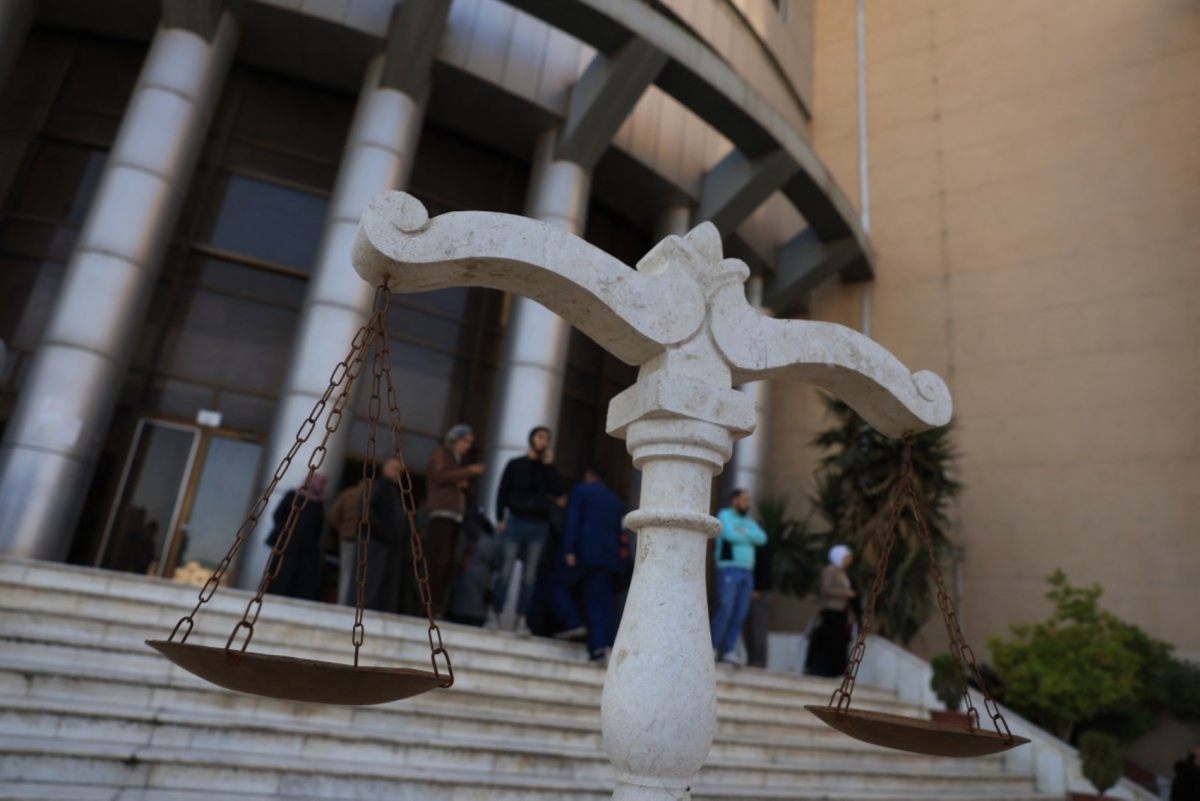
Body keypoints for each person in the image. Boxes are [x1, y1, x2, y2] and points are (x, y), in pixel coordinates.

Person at [488, 426, 560, 636]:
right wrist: (500, 517)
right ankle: (496, 613)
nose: (543, 441)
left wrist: (550, 466)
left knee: (529, 577)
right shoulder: (515, 464)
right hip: (516, 521)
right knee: (505, 571)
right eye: (540, 437)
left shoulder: (547, 469)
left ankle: (521, 620)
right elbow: (503, 490)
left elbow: (557, 491)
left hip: (538, 526)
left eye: (547, 438)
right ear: (532, 439)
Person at [550, 467, 625, 663]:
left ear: (589, 476)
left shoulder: (581, 491)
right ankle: (598, 649)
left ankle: (572, 620)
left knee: (557, 585)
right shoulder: (615, 500)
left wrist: (569, 549)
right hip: (606, 559)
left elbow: (573, 520)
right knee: (598, 604)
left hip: (583, 553)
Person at [425, 424, 486, 617]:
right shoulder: (443, 453)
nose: (467, 446)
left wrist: (464, 480)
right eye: (465, 441)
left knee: (448, 561)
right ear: (455, 440)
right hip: (442, 510)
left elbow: (464, 487)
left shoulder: (459, 460)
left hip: (455, 513)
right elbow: (440, 476)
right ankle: (430, 604)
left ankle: (438, 605)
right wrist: (468, 472)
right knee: (438, 559)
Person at [710, 489, 768, 664]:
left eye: (749, 500)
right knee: (725, 608)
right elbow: (728, 534)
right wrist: (747, 535)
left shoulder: (748, 521)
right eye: (744, 500)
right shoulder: (724, 515)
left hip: (747, 571)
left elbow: (762, 538)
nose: (747, 504)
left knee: (740, 611)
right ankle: (711, 647)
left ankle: (728, 650)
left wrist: (742, 533)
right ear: (734, 500)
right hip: (728, 568)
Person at [265, 473, 328, 601]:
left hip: (304, 549)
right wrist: (285, 532)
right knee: (280, 573)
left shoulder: (318, 503)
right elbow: (279, 515)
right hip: (286, 545)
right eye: (320, 482)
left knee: (298, 577)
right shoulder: (293, 496)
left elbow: (318, 528)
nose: (322, 486)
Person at [804, 544, 857, 678]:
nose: (849, 560)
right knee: (828, 640)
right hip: (831, 610)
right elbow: (826, 589)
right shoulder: (830, 570)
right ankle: (819, 668)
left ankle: (835, 670)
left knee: (838, 641)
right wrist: (845, 593)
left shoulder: (841, 572)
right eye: (847, 557)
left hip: (841, 611)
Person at [363, 458, 407, 612]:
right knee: (371, 579)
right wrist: (381, 530)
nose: (397, 474)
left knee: (385, 582)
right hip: (376, 543)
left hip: (389, 545)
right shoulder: (378, 487)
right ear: (385, 470)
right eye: (395, 469)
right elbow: (366, 512)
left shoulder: (393, 492)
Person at [446, 507, 498, 627]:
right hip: (480, 593)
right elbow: (496, 562)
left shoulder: (463, 534)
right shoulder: (490, 538)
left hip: (458, 604)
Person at [327, 475, 367, 605]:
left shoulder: (348, 494)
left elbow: (333, 515)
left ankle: (343, 601)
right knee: (361, 574)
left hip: (347, 537)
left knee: (346, 571)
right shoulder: (370, 498)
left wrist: (342, 529)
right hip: (365, 541)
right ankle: (355, 602)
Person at [743, 537, 774, 669]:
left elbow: (764, 569)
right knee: (748, 629)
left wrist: (758, 589)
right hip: (751, 592)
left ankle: (758, 662)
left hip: (758, 593)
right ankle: (752, 660)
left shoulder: (762, 544)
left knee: (757, 628)